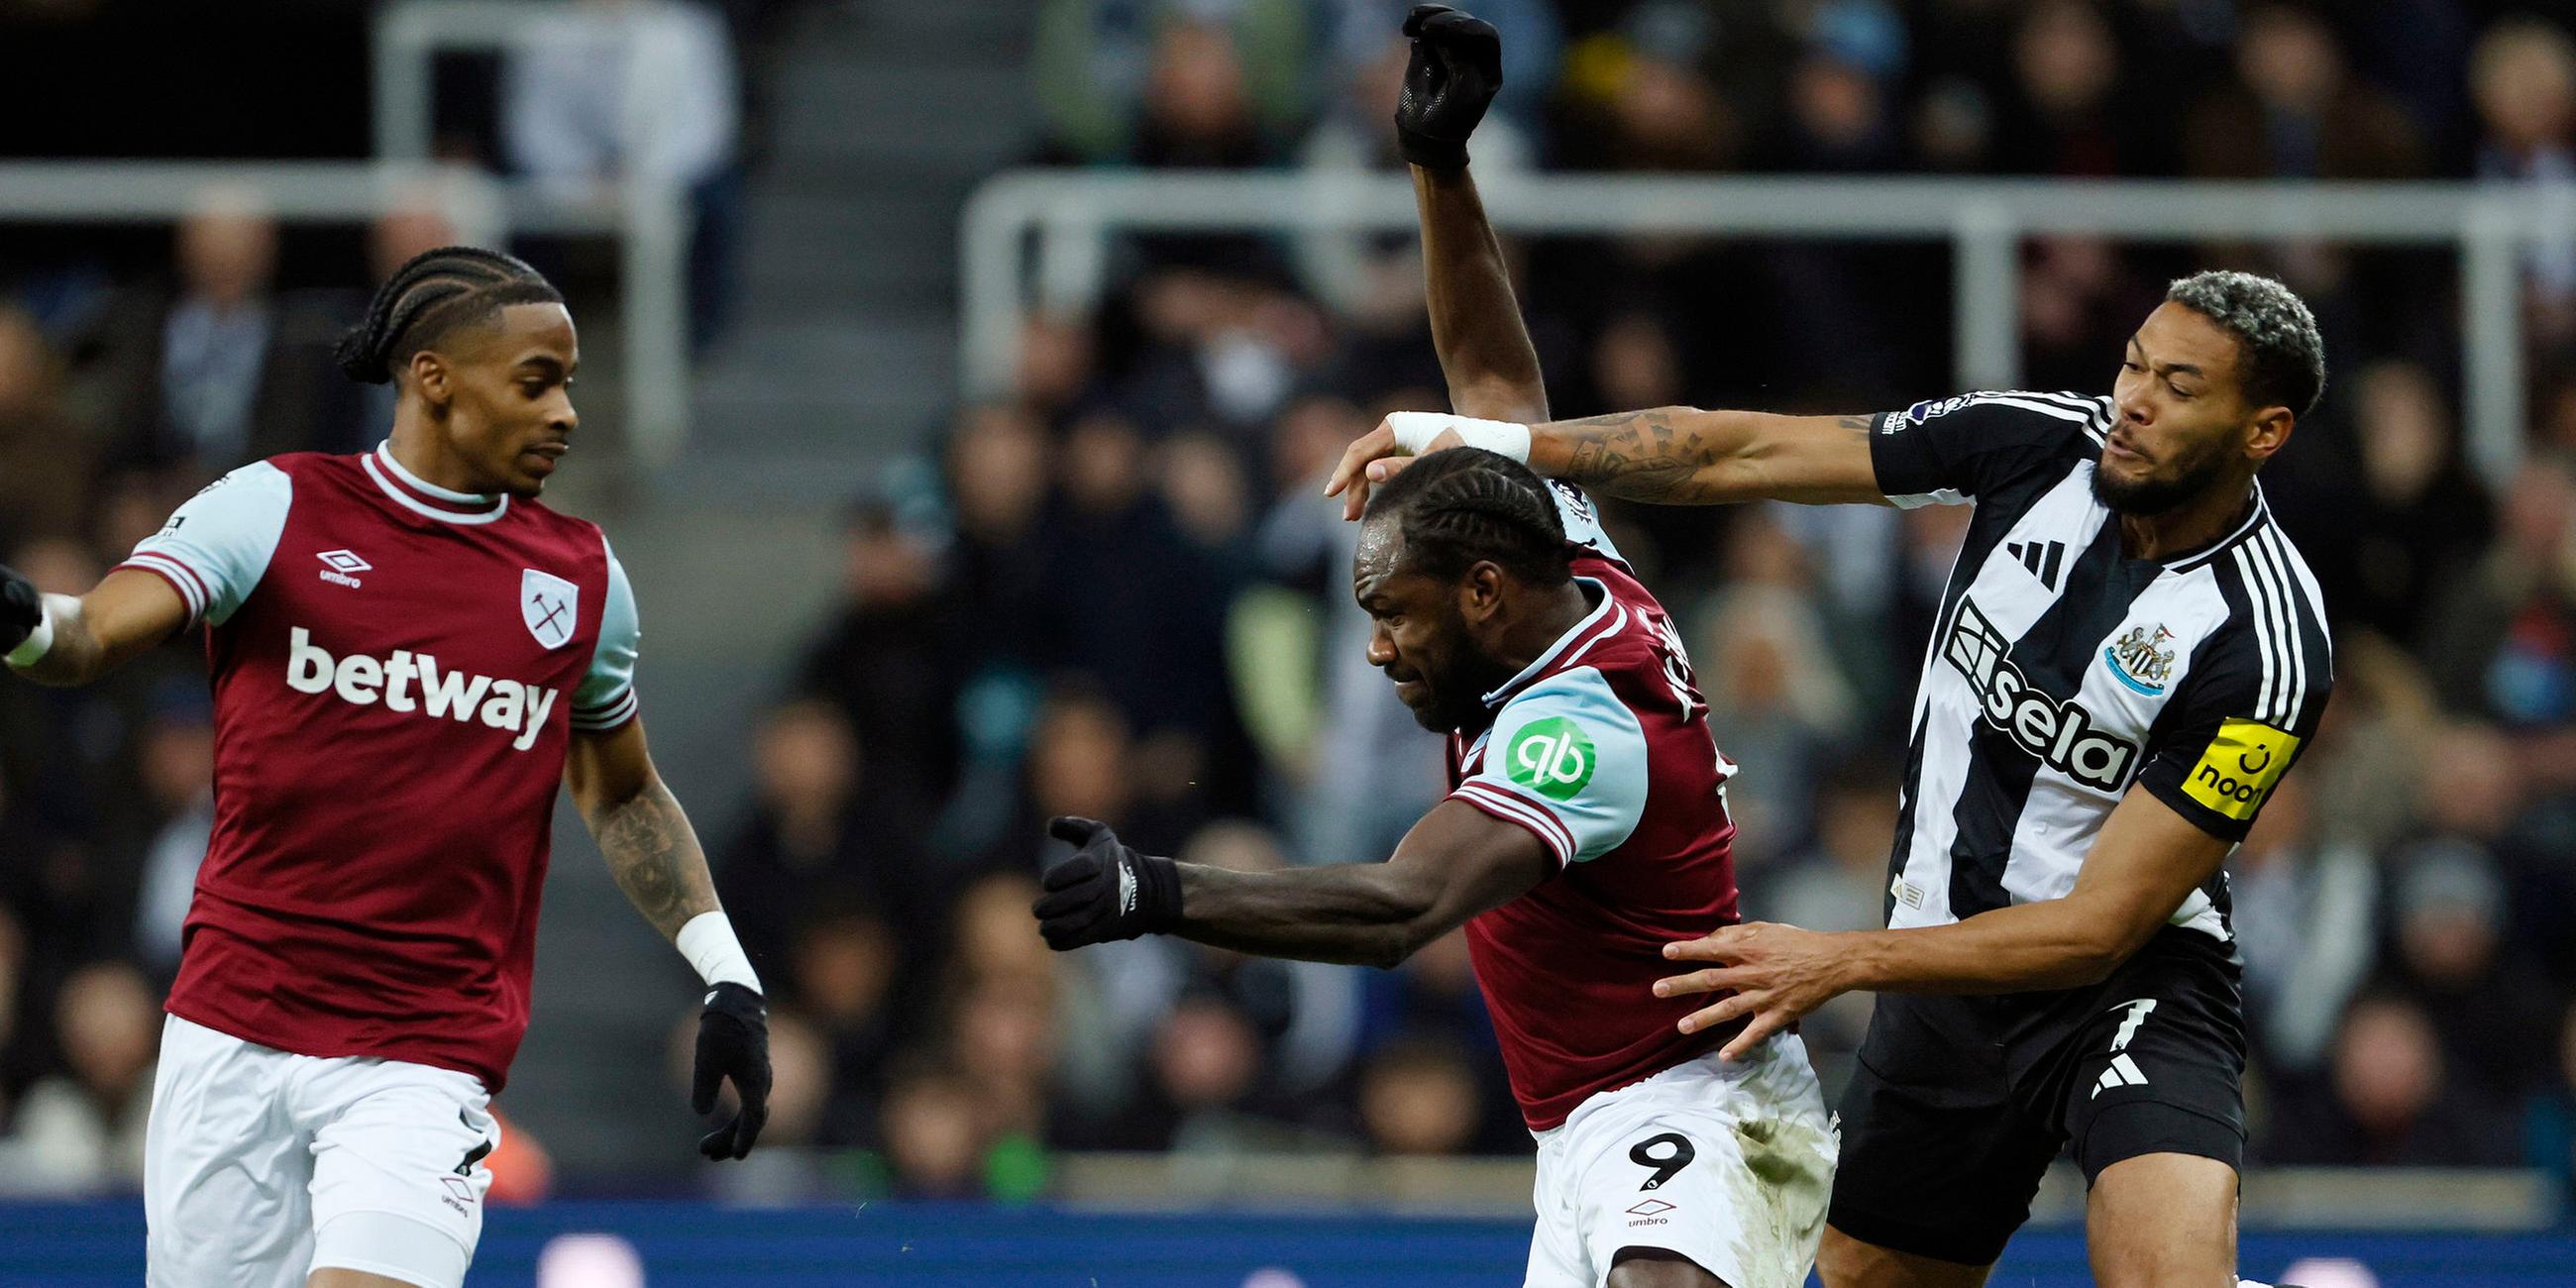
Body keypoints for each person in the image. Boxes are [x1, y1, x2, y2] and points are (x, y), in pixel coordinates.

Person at [1327, 11, 2335, 1287]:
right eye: (2135, 364)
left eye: (2179, 388)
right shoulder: (2031, 442)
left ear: (2265, 432)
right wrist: (1491, 444)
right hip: (1938, 967)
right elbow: (1737, 450)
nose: (2130, 400)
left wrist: (1841, 959)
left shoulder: (2266, 640)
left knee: (2162, 1276)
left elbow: (2096, 927)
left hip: (2119, 986)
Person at [1029, 12, 1836, 1288]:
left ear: (1476, 595)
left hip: (1691, 1106)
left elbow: (1402, 907)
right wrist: (1439, 167)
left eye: (1394, 618)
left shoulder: (1581, 726)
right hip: (1583, 1125)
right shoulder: (1555, 558)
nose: (1377, 655)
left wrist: (1153, 892)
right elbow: (1500, 399)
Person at [0, 247, 772, 1288]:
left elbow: (621, 788)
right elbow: (88, 634)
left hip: (422, 1054)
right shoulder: (274, 509)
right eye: (536, 382)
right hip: (234, 1028)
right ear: (434, 378)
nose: (566, 416)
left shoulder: (581, 582)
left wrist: (727, 972)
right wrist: (16, 616)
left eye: (571, 386)